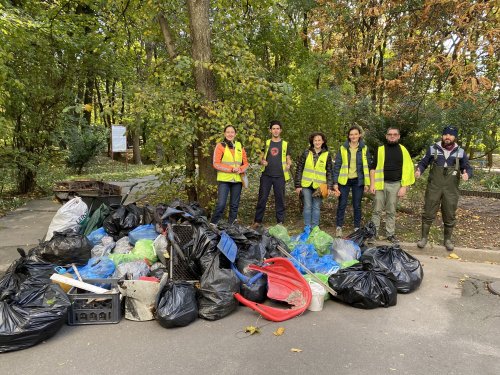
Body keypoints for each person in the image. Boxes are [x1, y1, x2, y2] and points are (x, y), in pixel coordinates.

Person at [415, 126, 472, 251]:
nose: (447, 137)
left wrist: (467, 174)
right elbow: (423, 162)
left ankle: (447, 240)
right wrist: (419, 170)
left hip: (451, 189)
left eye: (450, 135)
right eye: (445, 134)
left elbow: (467, 167)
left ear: (455, 137)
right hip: (434, 186)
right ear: (442, 136)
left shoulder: (460, 152)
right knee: (428, 211)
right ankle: (424, 238)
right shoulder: (432, 148)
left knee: (449, 213)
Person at [369, 127, 415, 243]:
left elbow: (408, 169)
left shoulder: (403, 150)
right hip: (380, 184)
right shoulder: (380, 150)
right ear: (386, 136)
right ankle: (373, 234)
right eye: (390, 134)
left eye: (395, 134)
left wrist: (404, 186)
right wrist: (372, 184)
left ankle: (390, 234)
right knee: (376, 210)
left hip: (395, 185)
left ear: (399, 136)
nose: (392, 136)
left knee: (391, 211)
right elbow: (373, 168)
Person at [252, 120, 292, 229]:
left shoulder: (285, 144)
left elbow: (288, 158)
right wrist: (262, 162)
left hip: (280, 176)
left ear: (281, 130)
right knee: (262, 198)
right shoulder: (266, 143)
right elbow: (260, 158)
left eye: (277, 128)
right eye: (273, 128)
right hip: (266, 175)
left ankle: (280, 222)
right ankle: (257, 221)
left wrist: (289, 165)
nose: (275, 130)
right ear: (270, 130)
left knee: (280, 199)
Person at [333, 125, 371, 237]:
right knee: (342, 204)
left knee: (357, 205)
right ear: (348, 136)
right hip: (344, 181)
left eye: (355, 134)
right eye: (351, 134)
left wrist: (367, 183)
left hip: (358, 181)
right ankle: (339, 227)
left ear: (359, 135)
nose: (353, 136)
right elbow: (337, 165)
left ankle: (356, 228)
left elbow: (367, 166)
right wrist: (335, 183)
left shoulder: (364, 148)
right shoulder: (343, 148)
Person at [294, 132, 334, 229]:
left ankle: (315, 228)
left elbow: (329, 172)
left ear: (323, 141)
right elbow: (299, 169)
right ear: (312, 141)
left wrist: (329, 186)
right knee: (307, 206)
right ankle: (307, 227)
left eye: (319, 140)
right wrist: (298, 185)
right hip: (306, 185)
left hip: (319, 187)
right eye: (315, 140)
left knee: (316, 207)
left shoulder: (327, 155)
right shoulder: (306, 153)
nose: (317, 142)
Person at [210, 125, 249, 225]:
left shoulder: (240, 146)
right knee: (221, 204)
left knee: (234, 205)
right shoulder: (220, 146)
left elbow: (246, 164)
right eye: (228, 132)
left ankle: (231, 226)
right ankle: (213, 224)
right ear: (224, 133)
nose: (230, 134)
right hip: (224, 180)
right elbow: (216, 163)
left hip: (237, 180)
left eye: (232, 132)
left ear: (235, 134)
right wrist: (231, 169)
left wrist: (240, 169)